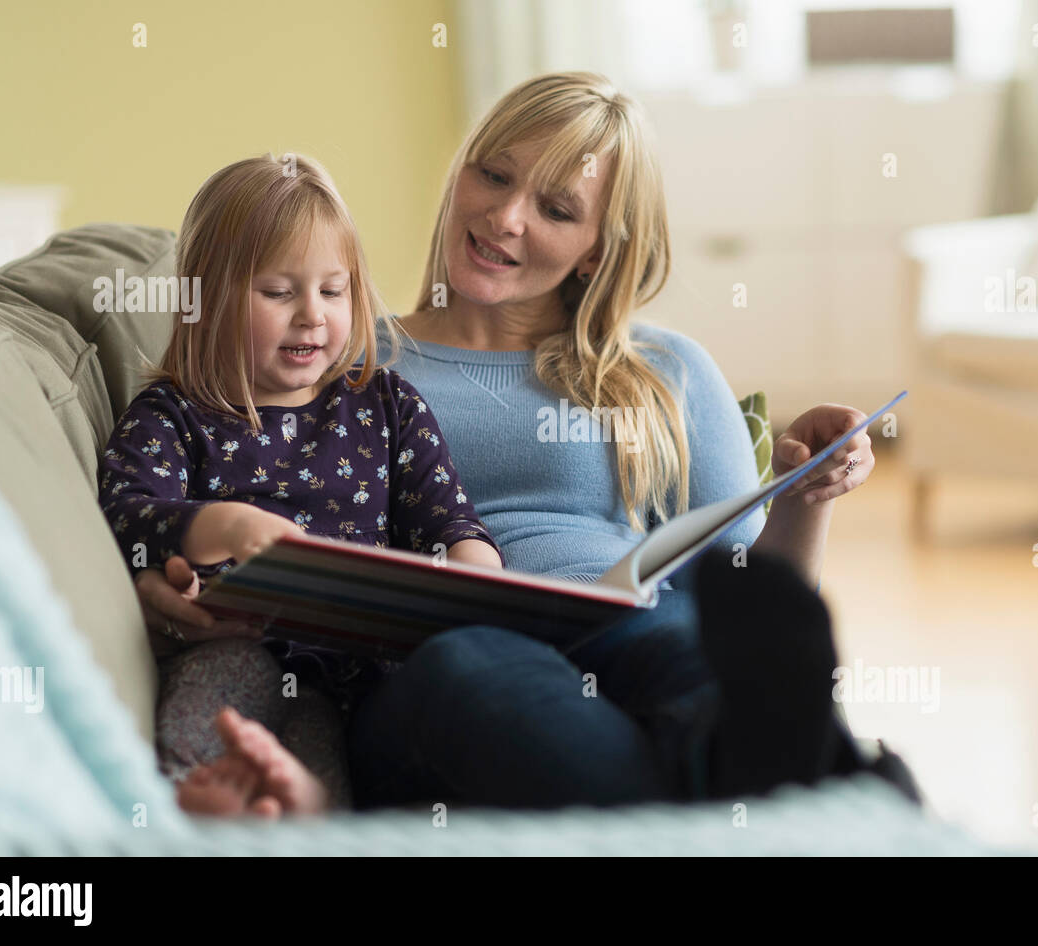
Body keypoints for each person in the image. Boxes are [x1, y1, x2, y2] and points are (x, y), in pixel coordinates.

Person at [138, 73, 920, 815]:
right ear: (460, 174)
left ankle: (779, 778)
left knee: (688, 646)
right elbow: (217, 491)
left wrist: (805, 491)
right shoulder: (337, 361)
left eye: (555, 207)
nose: (507, 218)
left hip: (631, 623)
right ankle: (773, 808)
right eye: (494, 175)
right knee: (477, 668)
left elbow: (751, 592)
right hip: (440, 662)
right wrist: (177, 581)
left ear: (596, 249)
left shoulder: (662, 369)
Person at [98, 153, 502, 815]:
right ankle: (192, 803)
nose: (312, 315)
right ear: (206, 300)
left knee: (320, 757)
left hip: (358, 673)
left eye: (334, 291)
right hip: (236, 642)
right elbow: (123, 514)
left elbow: (448, 519)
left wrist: (476, 576)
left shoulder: (385, 404)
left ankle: (294, 815)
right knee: (216, 692)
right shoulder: (173, 415)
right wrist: (216, 525)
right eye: (279, 292)